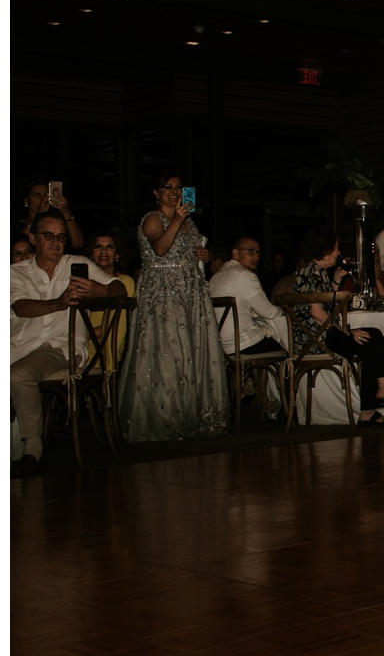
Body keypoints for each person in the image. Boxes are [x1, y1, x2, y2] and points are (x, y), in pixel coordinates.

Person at [118, 172, 233, 443]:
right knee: (169, 351)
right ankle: (166, 419)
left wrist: (203, 256)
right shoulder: (153, 219)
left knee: (193, 350)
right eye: (167, 187)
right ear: (155, 193)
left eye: (179, 187)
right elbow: (159, 248)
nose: (174, 191)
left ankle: (195, 415)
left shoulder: (189, 224)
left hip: (191, 293)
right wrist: (178, 219)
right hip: (164, 295)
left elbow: (190, 252)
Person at [10, 210, 127, 474]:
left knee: (19, 374)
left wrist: (102, 290)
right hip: (19, 346)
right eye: (48, 236)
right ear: (32, 238)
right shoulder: (14, 273)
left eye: (61, 237)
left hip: (61, 347)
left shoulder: (78, 263)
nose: (55, 242)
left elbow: (119, 288)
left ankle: (32, 448)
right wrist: (58, 303)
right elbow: (21, 308)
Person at [291, 229, 384, 427]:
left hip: (318, 336)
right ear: (326, 250)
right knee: (370, 338)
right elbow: (316, 312)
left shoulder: (315, 271)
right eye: (336, 248)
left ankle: (377, 397)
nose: (338, 253)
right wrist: (346, 332)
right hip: (314, 340)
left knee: (371, 337)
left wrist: (338, 278)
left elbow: (325, 301)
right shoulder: (313, 272)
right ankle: (375, 400)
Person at [207, 237, 286, 356]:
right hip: (240, 343)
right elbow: (269, 312)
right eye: (250, 251)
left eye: (258, 252)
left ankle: (251, 374)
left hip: (219, 345)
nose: (256, 256)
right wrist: (284, 311)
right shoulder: (244, 275)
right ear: (236, 253)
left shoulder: (217, 275)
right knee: (285, 349)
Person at [86, 229, 135, 372]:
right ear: (91, 253)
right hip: (78, 348)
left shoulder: (125, 283)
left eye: (109, 247)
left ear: (117, 254)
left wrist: (80, 335)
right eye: (98, 246)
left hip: (105, 349)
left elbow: (116, 326)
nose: (103, 252)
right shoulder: (83, 283)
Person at [19, 180, 84, 249]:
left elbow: (78, 244)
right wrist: (37, 217)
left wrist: (66, 212)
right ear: (26, 200)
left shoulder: (59, 223)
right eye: (37, 195)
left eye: (47, 194)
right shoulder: (14, 223)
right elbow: (19, 244)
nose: (43, 198)